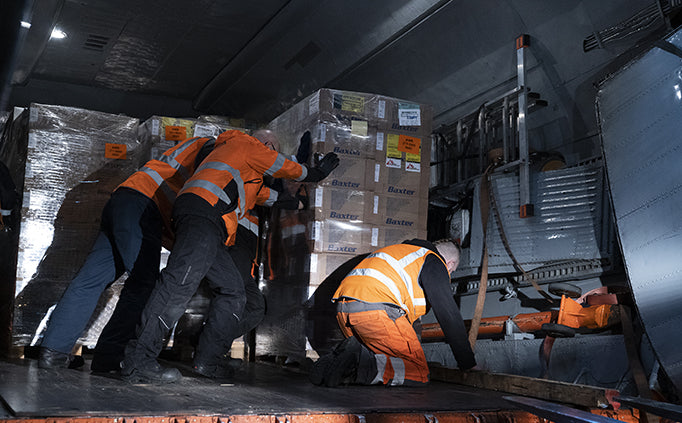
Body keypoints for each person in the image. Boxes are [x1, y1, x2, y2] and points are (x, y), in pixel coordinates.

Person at [121, 129, 338, 384]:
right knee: (179, 283)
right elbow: (285, 167)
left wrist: (301, 204)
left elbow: (271, 198)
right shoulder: (246, 146)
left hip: (210, 223)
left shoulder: (245, 172)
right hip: (203, 215)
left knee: (234, 292)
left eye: (274, 148)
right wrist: (315, 173)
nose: (271, 150)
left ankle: (208, 362)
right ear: (261, 142)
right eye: (270, 145)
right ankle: (138, 361)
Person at [38, 136, 217, 370]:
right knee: (144, 283)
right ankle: (111, 356)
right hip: (144, 206)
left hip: (125, 199)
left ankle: (54, 352)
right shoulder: (217, 148)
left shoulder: (197, 148)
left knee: (90, 281)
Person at [310, 238, 476, 387]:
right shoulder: (433, 261)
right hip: (376, 310)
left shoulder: (403, 253)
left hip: (344, 310)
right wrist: (467, 363)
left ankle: (329, 365)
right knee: (418, 371)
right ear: (451, 265)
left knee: (384, 360)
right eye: (451, 272)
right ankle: (356, 365)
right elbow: (449, 314)